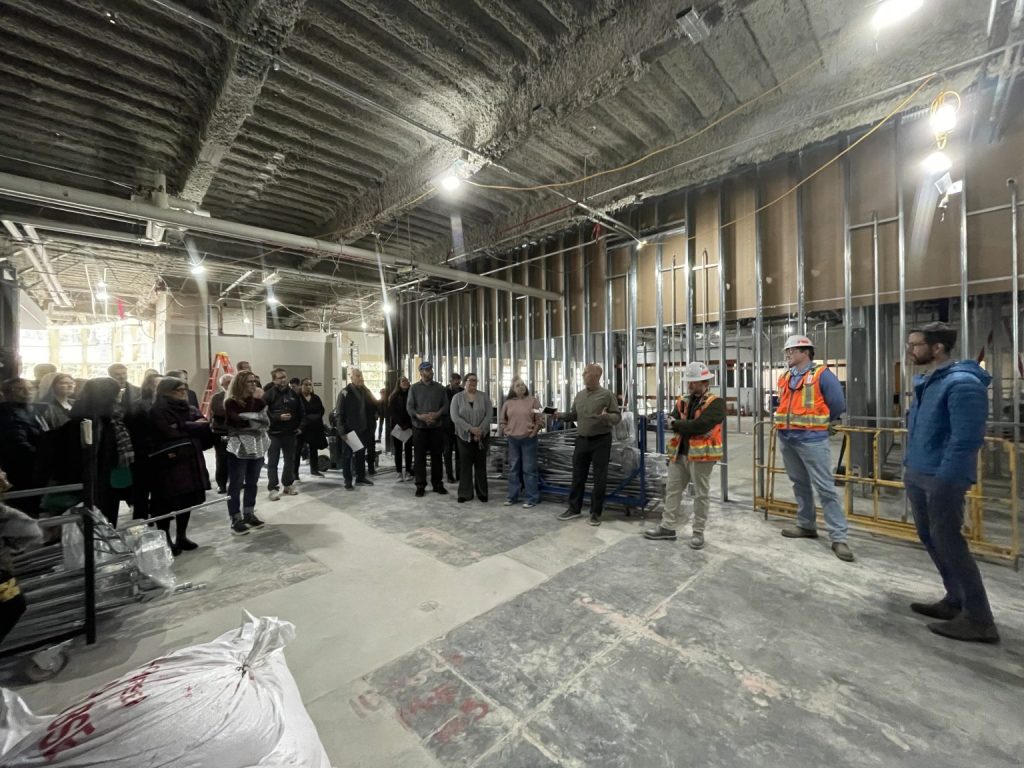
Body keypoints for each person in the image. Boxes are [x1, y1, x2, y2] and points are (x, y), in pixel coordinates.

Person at [903, 322, 999, 643]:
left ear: (938, 348)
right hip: (920, 472)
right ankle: (955, 599)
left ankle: (979, 619)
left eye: (915, 344)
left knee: (950, 543)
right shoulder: (931, 381)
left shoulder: (962, 384)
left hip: (941, 479)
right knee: (932, 538)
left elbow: (966, 440)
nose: (910, 350)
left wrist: (947, 480)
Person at [774, 334, 852, 562]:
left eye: (791, 351)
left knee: (825, 488)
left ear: (805, 352)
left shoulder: (822, 375)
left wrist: (824, 424)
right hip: (787, 438)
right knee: (799, 483)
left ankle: (839, 537)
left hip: (812, 439)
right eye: (786, 351)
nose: (787, 355)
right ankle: (806, 524)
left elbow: (837, 404)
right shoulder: (786, 376)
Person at [644, 362, 726, 549]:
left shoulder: (717, 404)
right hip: (679, 454)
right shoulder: (682, 400)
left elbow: (701, 425)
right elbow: (669, 422)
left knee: (700, 495)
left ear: (705, 382)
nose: (689, 385)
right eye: (689, 381)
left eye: (694, 382)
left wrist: (678, 424)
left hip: (702, 457)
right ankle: (667, 527)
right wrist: (679, 424)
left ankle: (698, 533)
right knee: (672, 491)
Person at [148, 377, 210, 554]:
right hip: (170, 462)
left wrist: (182, 426)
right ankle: (165, 538)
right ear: (165, 391)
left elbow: (205, 425)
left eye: (184, 389)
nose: (183, 393)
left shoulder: (189, 408)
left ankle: (181, 536)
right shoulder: (157, 410)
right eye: (178, 390)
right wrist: (191, 427)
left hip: (191, 458)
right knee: (166, 502)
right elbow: (167, 432)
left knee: (187, 499)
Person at [555, 364, 621, 526]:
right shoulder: (579, 395)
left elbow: (617, 417)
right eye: (583, 373)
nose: (583, 375)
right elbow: (574, 415)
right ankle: (574, 508)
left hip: (601, 441)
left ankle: (595, 513)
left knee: (600, 478)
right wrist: (560, 416)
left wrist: (607, 417)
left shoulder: (607, 395)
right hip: (582, 440)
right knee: (578, 475)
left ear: (596, 375)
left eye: (586, 373)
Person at [71, 378, 134, 527]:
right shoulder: (90, 417)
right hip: (98, 474)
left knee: (110, 511)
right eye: (117, 392)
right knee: (101, 515)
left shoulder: (111, 414)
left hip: (111, 470)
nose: (120, 396)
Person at [224, 371, 269, 536]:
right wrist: (253, 420)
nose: (253, 385)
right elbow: (236, 421)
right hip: (239, 447)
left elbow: (265, 422)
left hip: (257, 446)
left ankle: (249, 513)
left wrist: (251, 420)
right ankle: (235, 518)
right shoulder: (231, 402)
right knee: (236, 484)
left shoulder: (258, 402)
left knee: (252, 482)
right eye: (249, 382)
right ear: (240, 383)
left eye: (254, 382)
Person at [0, 379, 47, 516]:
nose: (27, 392)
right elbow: (16, 443)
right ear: (7, 393)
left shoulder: (32, 409)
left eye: (31, 388)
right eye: (20, 389)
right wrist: (40, 459)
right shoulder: (7, 413)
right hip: (20, 469)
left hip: (34, 467)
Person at [407, 362, 449, 497]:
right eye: (427, 370)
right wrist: (420, 417)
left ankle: (437, 484)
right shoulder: (413, 389)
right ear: (421, 372)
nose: (430, 372)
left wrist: (436, 415)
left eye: (431, 369)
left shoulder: (440, 388)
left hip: (436, 427)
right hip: (420, 428)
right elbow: (410, 407)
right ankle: (420, 485)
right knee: (419, 458)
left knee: (437, 457)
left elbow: (445, 405)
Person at [500, 378, 543, 508]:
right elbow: (502, 420)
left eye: (523, 384)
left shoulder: (533, 401)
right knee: (513, 469)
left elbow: (540, 419)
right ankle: (512, 497)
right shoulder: (508, 403)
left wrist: (534, 432)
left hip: (529, 439)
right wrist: (506, 431)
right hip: (513, 440)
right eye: (518, 385)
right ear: (513, 389)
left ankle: (532, 498)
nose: (521, 387)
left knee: (529, 469)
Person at [450, 373, 492, 503]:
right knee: (465, 465)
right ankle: (465, 493)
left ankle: (482, 492)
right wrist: (470, 429)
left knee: (480, 464)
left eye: (475, 380)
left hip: (482, 436)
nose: (473, 382)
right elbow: (455, 417)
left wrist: (480, 430)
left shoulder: (484, 396)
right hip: (464, 436)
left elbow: (489, 414)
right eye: (470, 380)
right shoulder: (457, 398)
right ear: (464, 382)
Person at [263, 367, 302, 500]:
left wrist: (300, 426)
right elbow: (263, 415)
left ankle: (287, 485)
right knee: (273, 462)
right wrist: (278, 418)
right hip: (273, 434)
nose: (283, 380)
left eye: (285, 377)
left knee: (289, 461)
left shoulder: (293, 394)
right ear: (274, 380)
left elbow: (300, 411)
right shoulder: (268, 395)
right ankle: (273, 488)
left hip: (290, 434)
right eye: (280, 378)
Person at [335, 368, 374, 490]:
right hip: (350, 430)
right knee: (347, 456)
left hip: (363, 429)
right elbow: (339, 413)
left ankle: (360, 477)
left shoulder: (365, 391)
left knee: (361, 454)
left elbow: (372, 406)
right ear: (351, 378)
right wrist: (341, 430)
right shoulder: (345, 393)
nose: (360, 378)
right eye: (357, 376)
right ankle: (348, 480)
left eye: (361, 375)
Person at [296, 378, 326, 478]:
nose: (308, 387)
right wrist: (306, 420)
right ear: (301, 386)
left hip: (314, 428)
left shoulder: (316, 398)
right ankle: (294, 472)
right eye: (305, 384)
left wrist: (313, 417)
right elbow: (296, 412)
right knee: (297, 450)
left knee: (314, 449)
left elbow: (321, 410)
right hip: (301, 428)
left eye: (310, 384)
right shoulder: (297, 398)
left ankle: (314, 470)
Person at [209, 373, 233, 494]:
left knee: (236, 459)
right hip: (221, 432)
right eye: (228, 382)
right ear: (222, 384)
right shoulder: (217, 397)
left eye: (231, 381)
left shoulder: (239, 396)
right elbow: (219, 411)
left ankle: (235, 482)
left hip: (236, 433)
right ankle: (221, 484)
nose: (230, 384)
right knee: (222, 460)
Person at [389, 376, 414, 482]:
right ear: (398, 383)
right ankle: (399, 472)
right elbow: (392, 412)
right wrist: (401, 424)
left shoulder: (412, 395)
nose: (405, 382)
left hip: (409, 426)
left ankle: (408, 471)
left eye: (407, 381)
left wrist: (408, 424)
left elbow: (414, 409)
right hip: (398, 427)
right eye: (403, 381)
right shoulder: (394, 396)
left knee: (409, 450)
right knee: (398, 450)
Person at [443, 373, 463, 484]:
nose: (457, 383)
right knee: (447, 451)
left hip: (460, 425)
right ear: (450, 381)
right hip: (447, 426)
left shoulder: (462, 391)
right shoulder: (444, 392)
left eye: (458, 381)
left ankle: (459, 474)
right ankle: (449, 475)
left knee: (460, 451)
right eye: (455, 381)